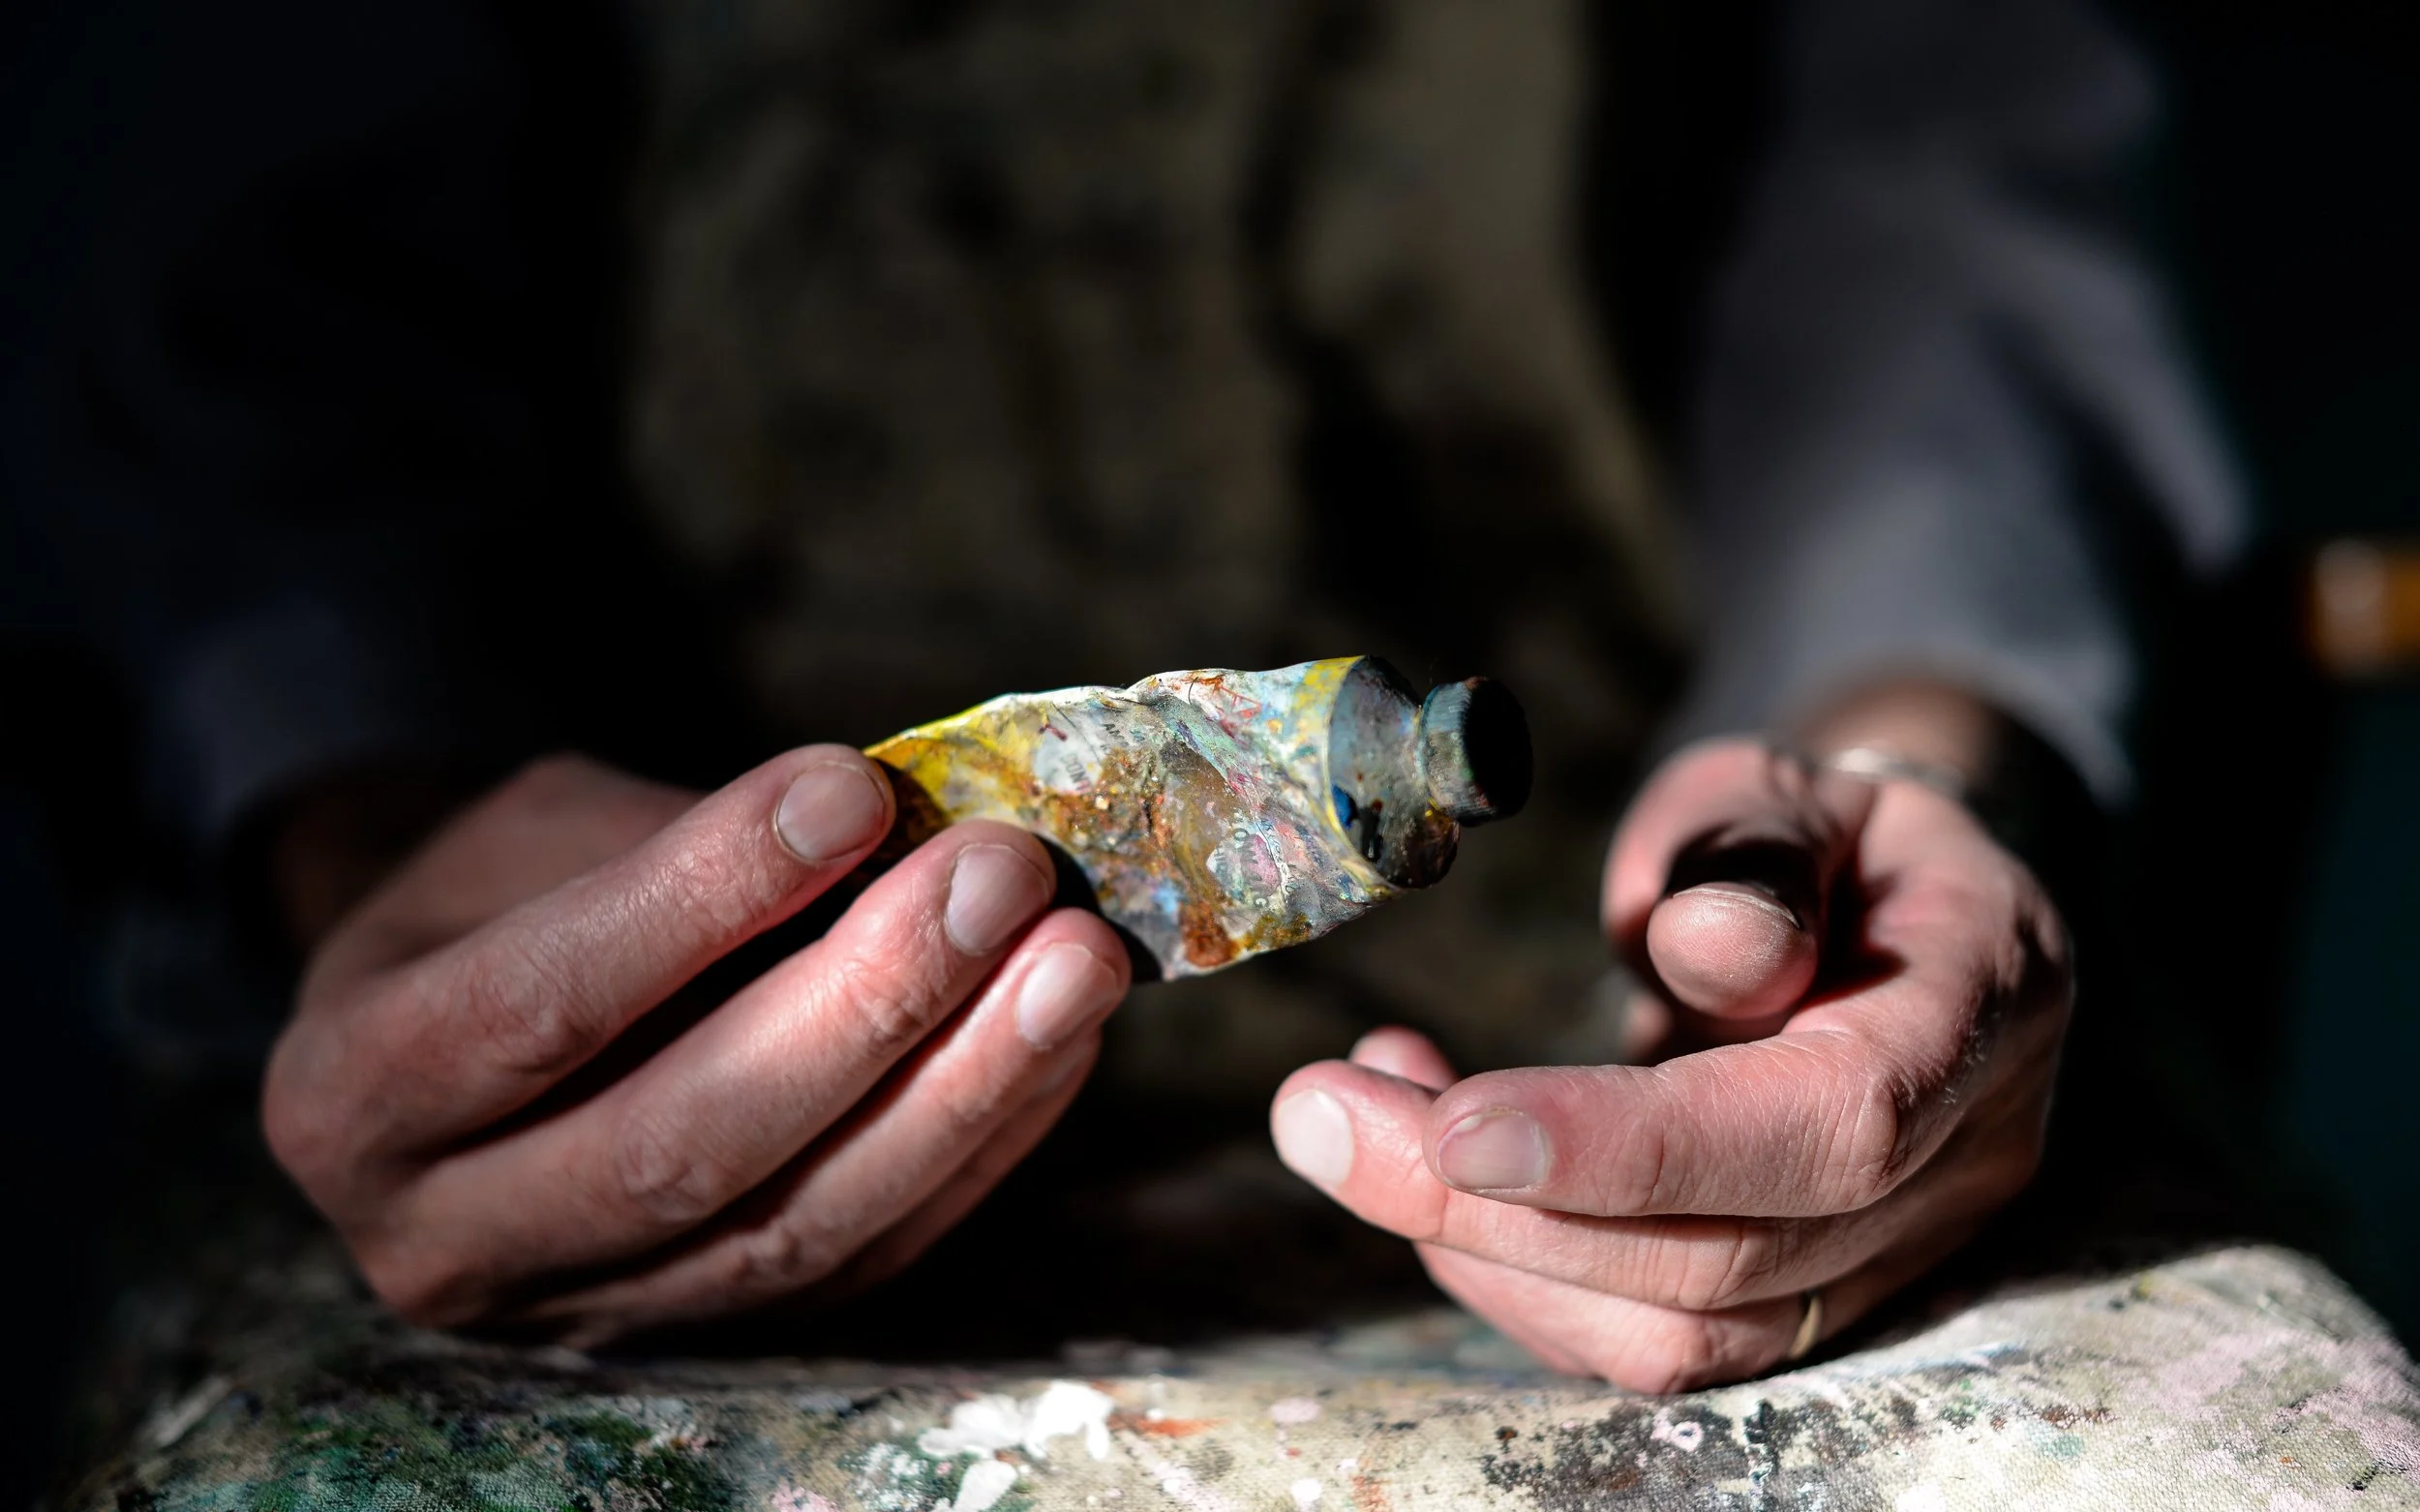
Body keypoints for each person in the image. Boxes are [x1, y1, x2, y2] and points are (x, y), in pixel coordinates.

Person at [3, 0, 2404, 1400]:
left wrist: (1895, 753)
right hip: (611, 1003)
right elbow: (281, 267)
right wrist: (377, 828)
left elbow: (1926, 220)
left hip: (1621, 1010)